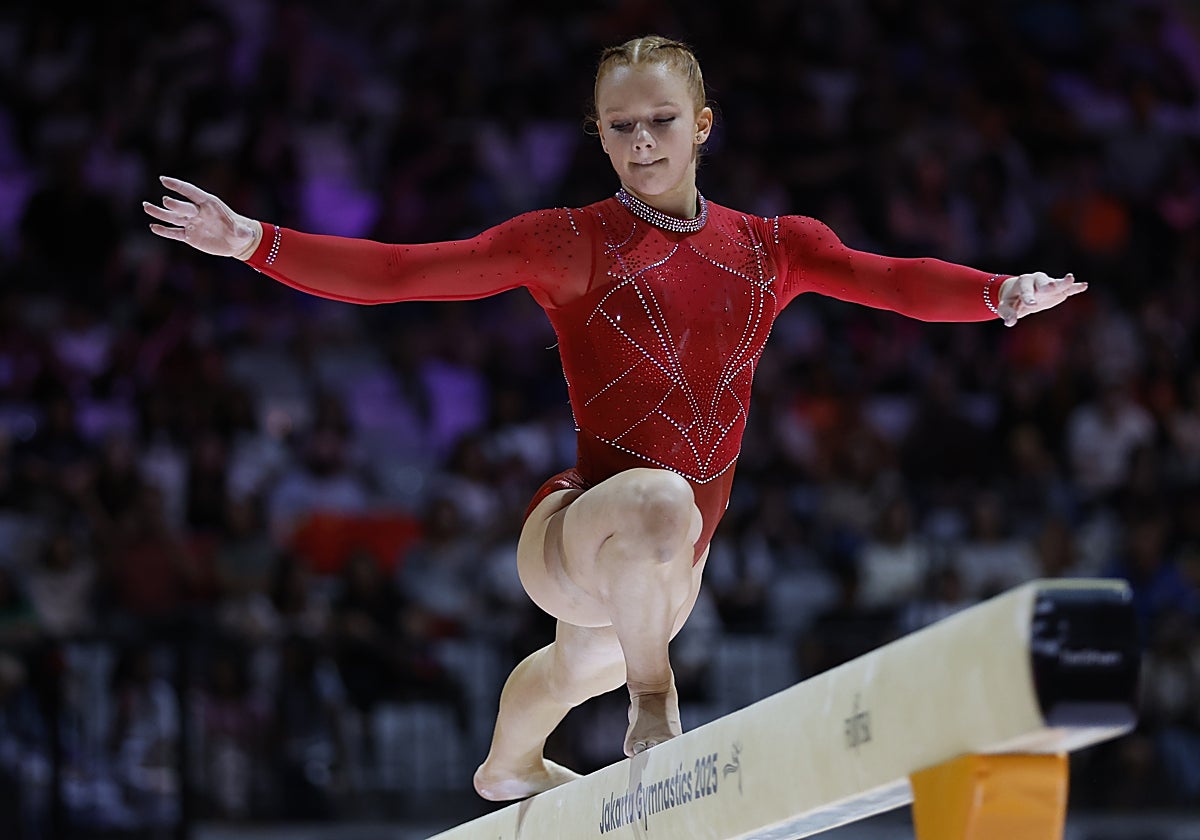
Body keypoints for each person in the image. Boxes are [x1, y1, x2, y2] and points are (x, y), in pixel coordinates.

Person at [144, 35, 1086, 801]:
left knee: (565, 671)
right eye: (621, 126)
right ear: (597, 133)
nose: (642, 142)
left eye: (662, 121)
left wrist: (996, 292)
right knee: (658, 508)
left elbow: (887, 279)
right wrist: (254, 243)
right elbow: (403, 273)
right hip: (578, 526)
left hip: (669, 571)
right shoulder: (569, 242)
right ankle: (654, 698)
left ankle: (506, 765)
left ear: (704, 124)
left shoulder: (768, 250)